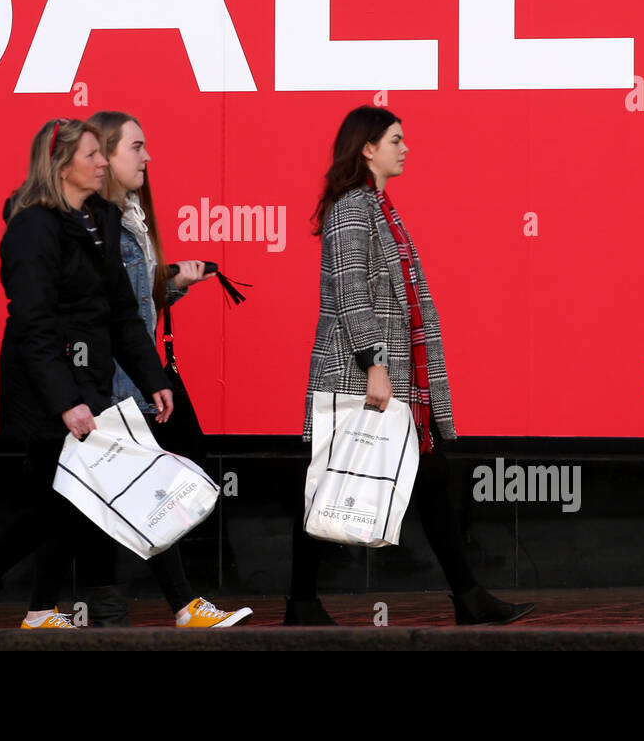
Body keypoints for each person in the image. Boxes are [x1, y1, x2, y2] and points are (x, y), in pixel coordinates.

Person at [285, 106, 537, 627]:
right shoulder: (353, 208)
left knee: (423, 475)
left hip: (390, 376)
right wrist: (374, 364)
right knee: (329, 482)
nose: (406, 148)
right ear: (368, 149)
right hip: (358, 374)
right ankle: (304, 602)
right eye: (396, 139)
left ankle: (464, 596)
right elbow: (353, 292)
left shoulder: (378, 207)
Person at [0, 118, 172, 629]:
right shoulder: (32, 228)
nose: (103, 162)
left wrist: (153, 376)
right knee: (62, 503)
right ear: (61, 166)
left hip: (88, 381)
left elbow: (121, 312)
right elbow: (34, 324)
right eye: (92, 155)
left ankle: (74, 609)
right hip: (43, 389)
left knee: (76, 500)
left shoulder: (103, 220)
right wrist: (65, 399)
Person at [72, 109, 250, 627]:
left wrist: (173, 285)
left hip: (128, 382)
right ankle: (171, 606)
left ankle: (136, 608)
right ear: (104, 154)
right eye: (136, 147)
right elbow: (111, 315)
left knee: (115, 497)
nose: (148, 156)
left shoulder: (129, 220)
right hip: (113, 387)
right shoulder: (104, 227)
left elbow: (131, 307)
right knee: (123, 495)